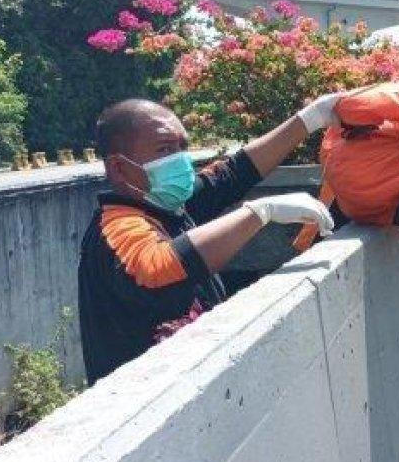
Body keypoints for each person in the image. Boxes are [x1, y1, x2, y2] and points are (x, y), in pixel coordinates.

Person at [77, 96, 338, 385]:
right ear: (119, 168)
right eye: (165, 149)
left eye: (182, 147)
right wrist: (260, 213)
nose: (181, 159)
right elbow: (156, 268)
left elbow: (233, 174)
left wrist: (312, 117)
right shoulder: (116, 225)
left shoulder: (170, 207)